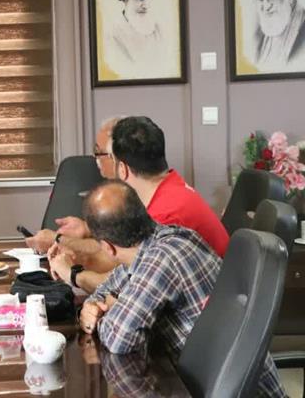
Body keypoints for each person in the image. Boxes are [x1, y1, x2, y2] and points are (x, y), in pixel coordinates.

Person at [78, 180, 284, 397]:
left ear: (108, 248)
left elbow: (119, 340)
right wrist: (92, 305)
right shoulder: (162, 240)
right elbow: (108, 286)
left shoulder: (162, 258)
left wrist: (102, 314)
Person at [48, 116, 229, 294]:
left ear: (122, 169)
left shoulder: (165, 216)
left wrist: (72, 273)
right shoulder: (170, 187)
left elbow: (127, 284)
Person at [25, 116, 120, 254]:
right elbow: (114, 234)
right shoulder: (116, 190)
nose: (96, 158)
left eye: (100, 152)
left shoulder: (139, 200)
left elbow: (113, 252)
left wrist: (58, 240)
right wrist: (87, 228)